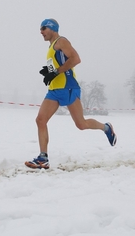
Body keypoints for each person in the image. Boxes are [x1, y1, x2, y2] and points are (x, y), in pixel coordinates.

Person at [25, 18, 117, 170]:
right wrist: (48, 72)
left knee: (81, 124)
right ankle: (43, 158)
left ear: (52, 28)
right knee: (40, 120)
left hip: (68, 88)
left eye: (43, 28)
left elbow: (76, 59)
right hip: (54, 91)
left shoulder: (61, 41)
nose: (41, 32)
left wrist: (55, 71)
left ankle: (106, 128)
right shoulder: (50, 48)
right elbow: (54, 68)